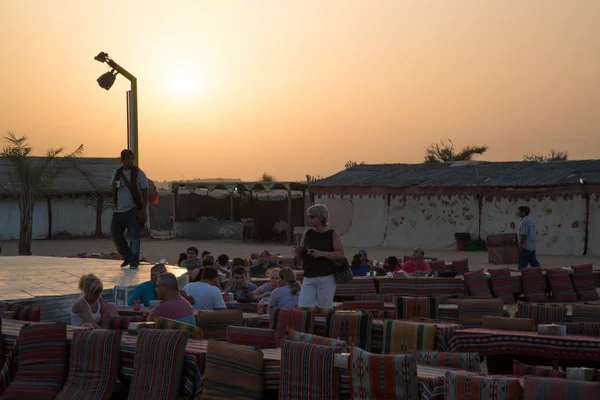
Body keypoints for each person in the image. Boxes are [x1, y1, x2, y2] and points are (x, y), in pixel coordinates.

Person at [293, 204, 344, 309]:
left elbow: (340, 254)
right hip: (309, 276)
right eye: (308, 216)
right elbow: (302, 256)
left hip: (326, 277)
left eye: (312, 216)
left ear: (320, 217)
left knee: (324, 309)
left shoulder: (332, 234)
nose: (309, 219)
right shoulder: (307, 233)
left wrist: (321, 253)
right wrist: (298, 252)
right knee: (303, 307)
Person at [110, 149, 149, 269]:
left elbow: (145, 190)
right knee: (115, 234)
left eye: (132, 158)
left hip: (133, 209)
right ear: (122, 160)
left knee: (134, 237)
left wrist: (143, 209)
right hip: (118, 210)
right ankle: (127, 256)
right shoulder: (116, 173)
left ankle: (134, 261)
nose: (130, 160)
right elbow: (113, 188)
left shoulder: (138, 173)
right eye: (127, 158)